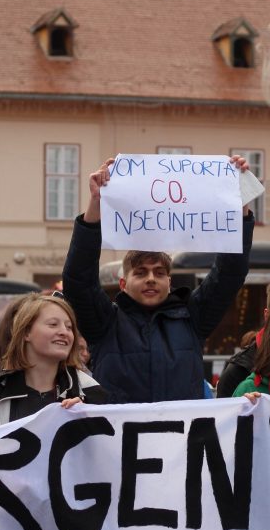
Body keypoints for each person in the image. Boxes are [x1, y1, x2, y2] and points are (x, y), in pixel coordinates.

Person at [63, 156, 255, 403]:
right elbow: (78, 280)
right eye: (140, 272)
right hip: (119, 440)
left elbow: (229, 274)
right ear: (123, 283)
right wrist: (96, 204)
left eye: (159, 272)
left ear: (170, 282)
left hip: (182, 440)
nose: (151, 279)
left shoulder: (193, 319)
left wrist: (238, 206)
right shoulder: (104, 324)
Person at [0, 295, 106, 433]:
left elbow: (108, 450)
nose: (64, 332)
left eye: (69, 327)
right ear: (26, 333)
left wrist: (87, 419)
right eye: (53, 324)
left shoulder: (90, 392)